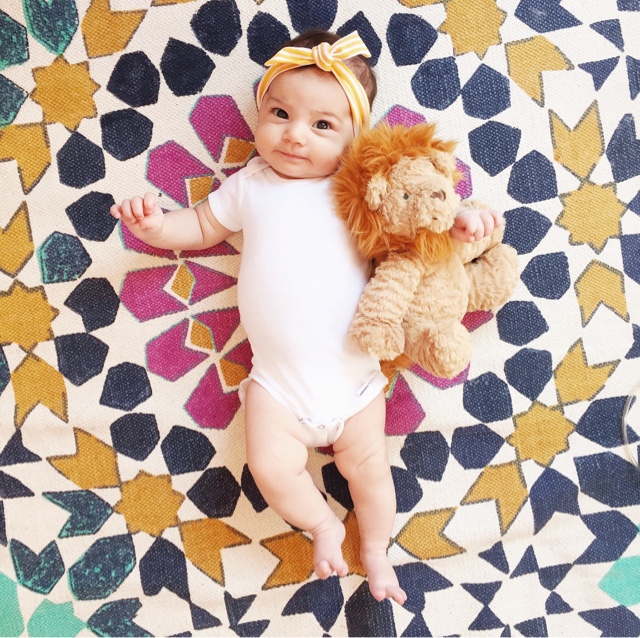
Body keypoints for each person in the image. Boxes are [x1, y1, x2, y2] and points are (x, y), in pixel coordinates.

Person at [111, 29, 502, 605]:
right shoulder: (249, 185)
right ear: (259, 114)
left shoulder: (360, 190)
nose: (295, 135)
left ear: (354, 137)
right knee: (270, 467)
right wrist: (155, 226)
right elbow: (200, 227)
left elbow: (417, 216)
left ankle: (376, 550)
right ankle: (321, 525)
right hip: (278, 387)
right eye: (280, 114)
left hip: (356, 382)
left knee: (371, 471)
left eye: (322, 125)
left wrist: (463, 220)